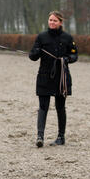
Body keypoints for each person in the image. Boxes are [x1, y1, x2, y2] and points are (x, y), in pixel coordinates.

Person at [29, 11, 78, 147]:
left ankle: (61, 137)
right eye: (50, 20)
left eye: (55, 21)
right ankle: (40, 136)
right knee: (43, 106)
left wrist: (67, 59)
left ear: (60, 22)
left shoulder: (68, 38)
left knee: (60, 107)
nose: (52, 22)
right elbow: (32, 56)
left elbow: (75, 55)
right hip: (45, 77)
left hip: (61, 77)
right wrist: (37, 51)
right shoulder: (41, 37)